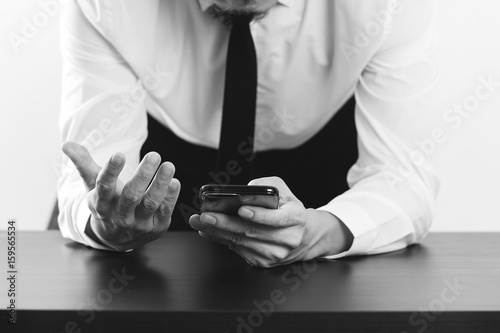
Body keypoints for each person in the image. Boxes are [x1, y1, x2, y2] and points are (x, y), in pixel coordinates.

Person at [58, 0, 440, 267]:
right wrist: (109, 224)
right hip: (160, 179)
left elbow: (403, 179)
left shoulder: (388, 5)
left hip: (324, 184)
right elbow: (92, 176)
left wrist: (322, 232)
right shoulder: (106, 5)